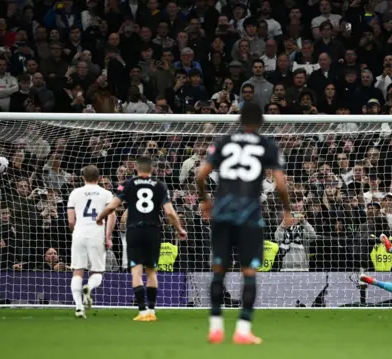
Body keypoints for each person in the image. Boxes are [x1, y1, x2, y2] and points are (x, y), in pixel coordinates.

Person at [196, 102, 292, 345]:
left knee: (219, 269)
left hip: (222, 212)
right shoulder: (266, 144)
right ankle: (243, 329)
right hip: (249, 214)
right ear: (260, 122)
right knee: (248, 272)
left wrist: (205, 201)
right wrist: (287, 210)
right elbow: (280, 184)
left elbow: (200, 175)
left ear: (240, 120)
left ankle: (215, 327)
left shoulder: (223, 141)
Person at [96, 156, 186, 322]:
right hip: (153, 231)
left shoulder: (128, 184)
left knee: (136, 270)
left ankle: (142, 312)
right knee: (152, 271)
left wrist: (100, 217)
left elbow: (112, 206)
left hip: (134, 231)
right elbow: (170, 212)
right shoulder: (160, 186)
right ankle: (152, 311)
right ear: (152, 169)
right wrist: (179, 229)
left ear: (136, 168)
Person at [67, 165, 116, 318]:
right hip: (96, 233)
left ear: (82, 177)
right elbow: (112, 216)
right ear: (99, 178)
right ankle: (89, 286)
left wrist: (75, 231)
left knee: (77, 270)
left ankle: (79, 307)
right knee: (97, 272)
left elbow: (70, 220)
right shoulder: (106, 193)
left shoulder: (75, 193)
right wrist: (108, 237)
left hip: (79, 233)